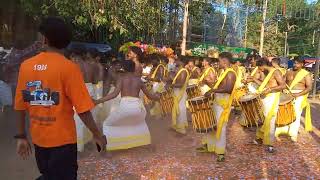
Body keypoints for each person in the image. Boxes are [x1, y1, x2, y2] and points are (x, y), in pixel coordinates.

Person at [14, 17, 106, 180]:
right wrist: (97, 133)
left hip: (38, 141)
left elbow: (20, 106)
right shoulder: (69, 68)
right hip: (63, 143)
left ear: (44, 39)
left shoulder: (26, 66)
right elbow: (83, 110)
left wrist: (21, 136)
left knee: (47, 174)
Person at [95, 60, 159, 151]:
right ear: (134, 69)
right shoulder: (139, 80)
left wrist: (98, 101)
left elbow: (114, 94)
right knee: (140, 123)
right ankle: (146, 143)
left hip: (125, 107)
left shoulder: (121, 78)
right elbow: (150, 96)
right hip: (138, 109)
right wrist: (158, 96)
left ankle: (109, 148)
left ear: (124, 68)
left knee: (107, 124)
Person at [201, 52, 237, 162]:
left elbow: (228, 89)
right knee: (213, 125)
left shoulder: (230, 73)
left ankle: (221, 152)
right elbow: (220, 86)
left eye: (219, 60)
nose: (218, 63)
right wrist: (209, 85)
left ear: (225, 61)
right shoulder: (224, 72)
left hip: (223, 104)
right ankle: (210, 146)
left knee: (221, 128)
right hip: (217, 102)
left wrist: (212, 90)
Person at [275, 57, 313, 141]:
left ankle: (293, 134)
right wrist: (283, 90)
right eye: (294, 63)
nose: (295, 65)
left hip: (299, 95)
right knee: (283, 111)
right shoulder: (288, 72)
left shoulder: (306, 74)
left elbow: (309, 87)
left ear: (302, 64)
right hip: (287, 94)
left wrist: (298, 94)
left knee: (296, 114)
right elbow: (283, 83)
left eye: (297, 63)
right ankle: (281, 130)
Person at [252, 57, 285, 153]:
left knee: (270, 120)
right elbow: (266, 85)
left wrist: (270, 90)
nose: (259, 70)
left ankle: (270, 144)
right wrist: (253, 80)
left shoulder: (276, 72)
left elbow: (282, 85)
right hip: (265, 98)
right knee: (262, 119)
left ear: (263, 65)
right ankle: (260, 138)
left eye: (259, 67)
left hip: (272, 98)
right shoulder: (267, 72)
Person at [167, 59, 190, 134]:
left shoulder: (183, 71)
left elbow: (180, 84)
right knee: (177, 108)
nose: (174, 62)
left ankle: (181, 128)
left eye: (176, 61)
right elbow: (176, 81)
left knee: (180, 109)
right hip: (177, 93)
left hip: (180, 93)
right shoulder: (179, 71)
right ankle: (177, 125)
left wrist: (170, 85)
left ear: (181, 62)